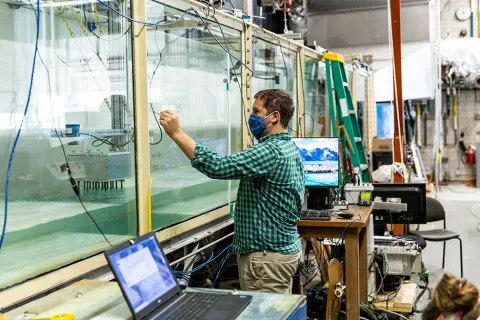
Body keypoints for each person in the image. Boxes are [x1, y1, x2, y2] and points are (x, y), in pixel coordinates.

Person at [159, 89, 304, 294]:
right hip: (279, 254)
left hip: (266, 259)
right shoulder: (288, 147)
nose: (251, 117)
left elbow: (218, 166)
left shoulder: (271, 151)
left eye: (256, 111)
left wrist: (176, 133)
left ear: (274, 117)